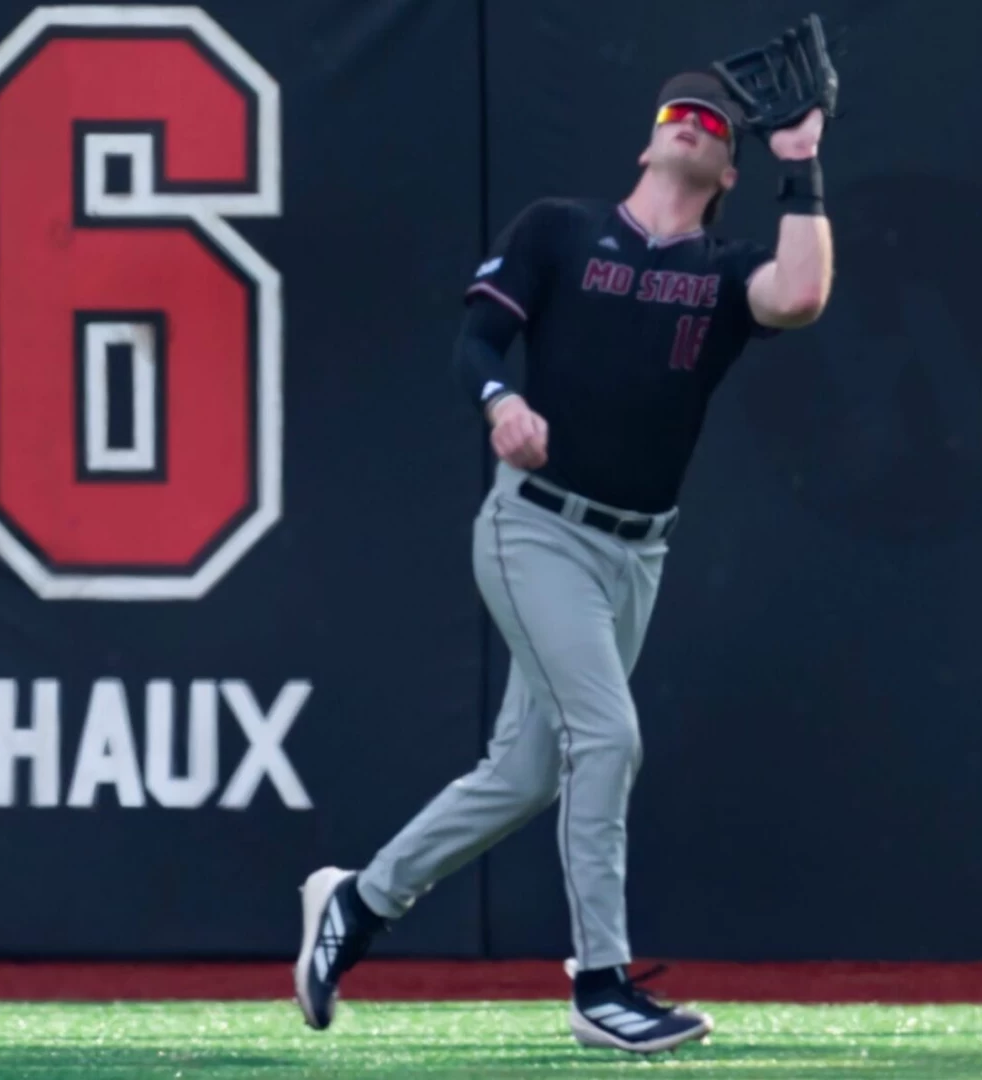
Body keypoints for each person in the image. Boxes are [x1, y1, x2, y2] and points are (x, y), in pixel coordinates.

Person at [292, 70, 833, 1055]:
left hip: (637, 552)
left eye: (714, 122)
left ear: (729, 171)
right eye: (677, 111)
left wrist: (800, 163)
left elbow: (800, 295)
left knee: (523, 772)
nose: (693, 122)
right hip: (536, 527)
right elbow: (477, 343)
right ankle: (602, 984)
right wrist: (500, 400)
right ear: (647, 141)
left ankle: (358, 903)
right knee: (607, 736)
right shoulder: (561, 229)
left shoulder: (724, 270)